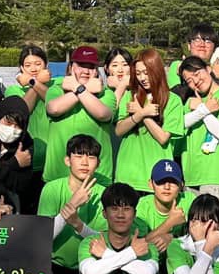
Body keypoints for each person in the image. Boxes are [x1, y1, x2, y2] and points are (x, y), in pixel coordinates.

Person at [36, 133, 110, 274]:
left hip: (88, 268)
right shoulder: (51, 189)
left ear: (98, 163)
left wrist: (78, 224)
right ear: (67, 160)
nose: (85, 162)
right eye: (79, 156)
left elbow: (104, 242)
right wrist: (71, 205)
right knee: (38, 271)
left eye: (91, 157)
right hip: (54, 265)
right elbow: (41, 238)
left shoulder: (104, 193)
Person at [41, 45, 115, 183]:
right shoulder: (56, 90)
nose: (86, 71)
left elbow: (102, 114)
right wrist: (83, 89)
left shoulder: (106, 93)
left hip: (97, 177)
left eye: (91, 67)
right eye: (81, 65)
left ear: (97, 71)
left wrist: (78, 88)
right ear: (70, 67)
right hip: (58, 175)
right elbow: (54, 109)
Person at [113, 50, 183, 191]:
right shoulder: (130, 96)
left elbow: (163, 137)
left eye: (146, 72)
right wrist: (141, 114)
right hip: (127, 174)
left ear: (157, 70)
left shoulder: (173, 100)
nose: (142, 78)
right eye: (138, 73)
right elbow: (119, 130)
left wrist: (141, 113)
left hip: (157, 176)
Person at [176, 55, 219, 187]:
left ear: (208, 69)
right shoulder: (190, 101)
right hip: (191, 176)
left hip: (216, 176)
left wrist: (202, 109)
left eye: (197, 74)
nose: (196, 81)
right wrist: (204, 109)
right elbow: (180, 124)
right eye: (189, 80)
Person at [136, 159, 187, 252]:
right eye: (161, 181)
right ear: (150, 184)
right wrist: (170, 223)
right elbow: (137, 246)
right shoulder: (143, 205)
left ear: (181, 185)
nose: (167, 187)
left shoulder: (189, 200)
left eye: (173, 182)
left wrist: (172, 238)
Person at [10, 44, 53, 148]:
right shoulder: (13, 90)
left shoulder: (57, 84)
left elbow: (55, 103)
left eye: (38, 64)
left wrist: (32, 81)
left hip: (53, 147)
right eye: (28, 65)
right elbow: (22, 110)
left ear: (46, 64)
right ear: (21, 68)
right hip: (27, 148)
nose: (33, 69)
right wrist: (36, 82)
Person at [165, 23, 219, 88]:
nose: (202, 44)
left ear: (214, 48)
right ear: (189, 46)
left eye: (208, 41)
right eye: (197, 40)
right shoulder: (177, 66)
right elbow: (176, 92)